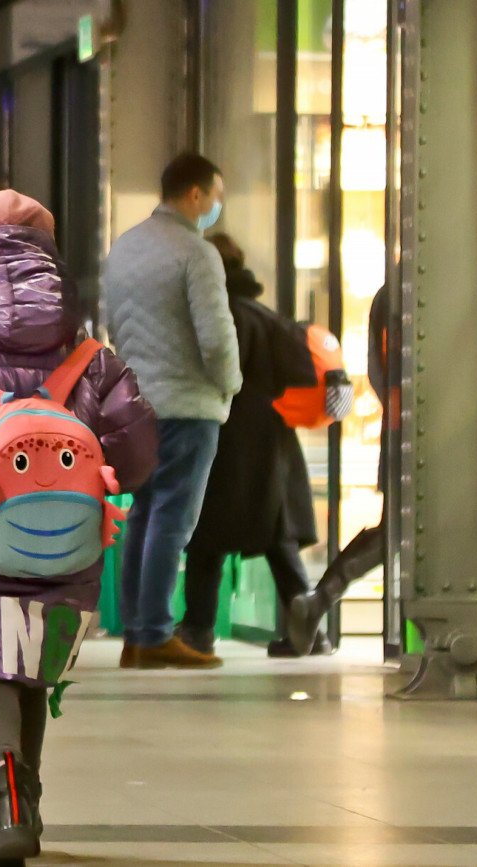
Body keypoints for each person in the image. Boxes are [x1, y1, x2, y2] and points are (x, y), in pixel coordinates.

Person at [0, 191, 157, 867]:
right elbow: (135, 449)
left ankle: (5, 791)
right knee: (33, 663)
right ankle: (29, 800)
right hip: (69, 534)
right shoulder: (88, 348)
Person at [101, 152, 242, 670]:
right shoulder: (196, 253)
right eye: (217, 196)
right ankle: (157, 631)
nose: (218, 206)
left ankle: (136, 634)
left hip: (137, 403)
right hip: (188, 402)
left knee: (142, 515)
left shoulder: (125, 248)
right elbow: (216, 336)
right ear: (196, 194)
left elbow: (114, 325)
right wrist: (230, 386)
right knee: (172, 521)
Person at [178, 235, 330, 660]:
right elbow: (299, 376)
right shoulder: (268, 317)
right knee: (277, 542)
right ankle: (312, 634)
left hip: (223, 443)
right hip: (273, 446)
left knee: (206, 538)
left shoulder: (214, 317)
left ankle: (197, 630)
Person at [286, 285, 392, 655]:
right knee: (397, 532)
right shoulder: (408, 290)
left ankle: (319, 600)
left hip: (399, 426)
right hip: (419, 430)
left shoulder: (386, 293)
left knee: (394, 529)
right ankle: (319, 600)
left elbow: (377, 373)